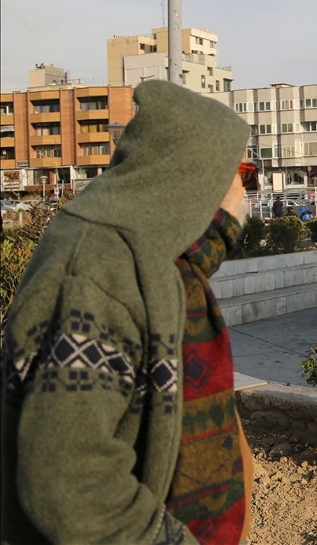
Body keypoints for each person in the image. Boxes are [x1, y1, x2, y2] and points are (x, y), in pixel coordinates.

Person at [1, 80, 253, 544]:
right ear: (195, 175)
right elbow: (67, 481)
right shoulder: (99, 270)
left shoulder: (152, 258)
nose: (245, 191)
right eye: (242, 171)